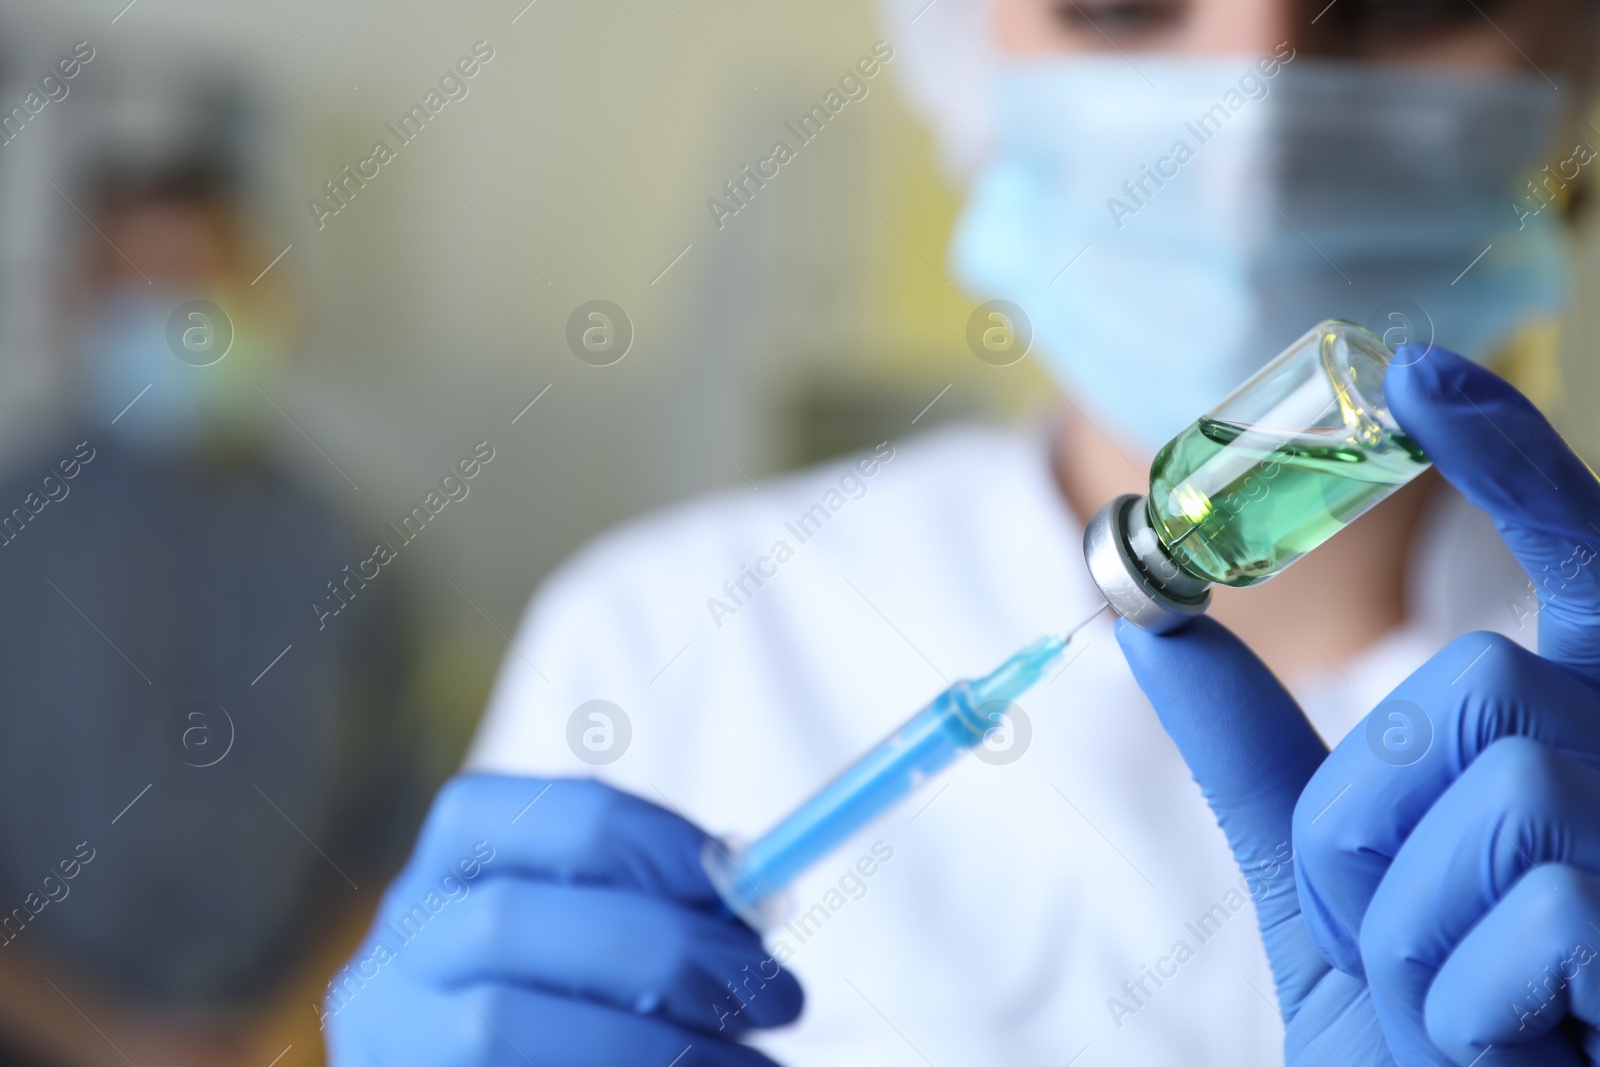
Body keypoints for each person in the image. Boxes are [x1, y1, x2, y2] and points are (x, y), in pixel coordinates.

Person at [327, 0, 1600, 1063]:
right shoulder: (670, 637)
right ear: (963, 53)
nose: (1248, 121)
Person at [0, 84, 427, 1065]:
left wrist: (286, 1029)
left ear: (269, 297)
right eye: (133, 288)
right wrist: (113, 1041)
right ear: (71, 307)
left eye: (199, 282)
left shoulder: (353, 553)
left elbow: (398, 841)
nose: (171, 317)